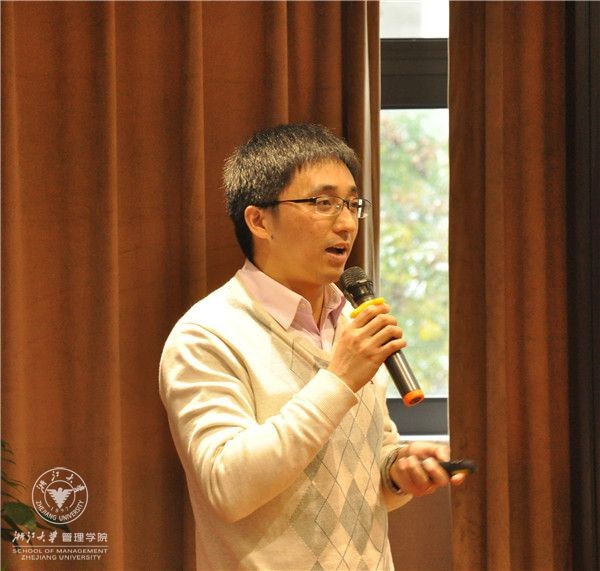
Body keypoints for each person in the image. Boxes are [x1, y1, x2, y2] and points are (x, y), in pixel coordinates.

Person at [159, 123, 466, 570]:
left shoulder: (352, 324)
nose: (346, 223)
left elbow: (368, 462)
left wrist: (398, 470)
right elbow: (227, 487)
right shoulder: (206, 335)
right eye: (323, 203)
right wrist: (339, 379)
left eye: (352, 204)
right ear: (259, 220)